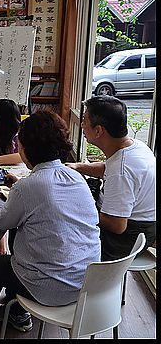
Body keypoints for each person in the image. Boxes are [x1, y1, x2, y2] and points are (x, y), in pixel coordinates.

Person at [0, 111, 100, 339]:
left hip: (50, 288)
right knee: (28, 243)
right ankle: (17, 313)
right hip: (86, 283)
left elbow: (1, 221)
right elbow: (46, 200)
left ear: (26, 149)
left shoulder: (29, 187)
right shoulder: (76, 178)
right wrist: (18, 185)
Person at [66, 95, 155, 261]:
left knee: (60, 224)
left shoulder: (122, 170)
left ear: (99, 130)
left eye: (84, 120)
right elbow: (107, 169)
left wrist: (77, 210)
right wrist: (77, 167)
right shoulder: (134, 147)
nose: (82, 125)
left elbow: (117, 225)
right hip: (142, 227)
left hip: (122, 240)